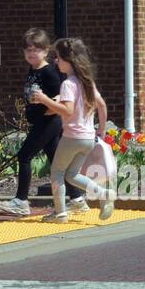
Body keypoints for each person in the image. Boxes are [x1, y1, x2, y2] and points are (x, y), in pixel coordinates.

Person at [34, 37, 116, 222]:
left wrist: (43, 99)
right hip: (88, 138)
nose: (56, 61)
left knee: (57, 172)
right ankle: (103, 193)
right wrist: (101, 131)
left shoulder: (68, 84)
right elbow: (102, 106)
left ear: (67, 60)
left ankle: (60, 212)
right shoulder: (87, 82)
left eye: (58, 58)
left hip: (72, 137)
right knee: (72, 174)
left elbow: (68, 110)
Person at [0, 29, 64, 217]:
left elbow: (60, 97)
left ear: (46, 50)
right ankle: (76, 197)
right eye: (28, 49)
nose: (31, 53)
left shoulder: (50, 71)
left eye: (36, 49)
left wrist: (46, 113)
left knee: (24, 156)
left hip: (49, 120)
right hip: (41, 121)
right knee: (56, 162)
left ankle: (21, 201)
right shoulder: (33, 70)